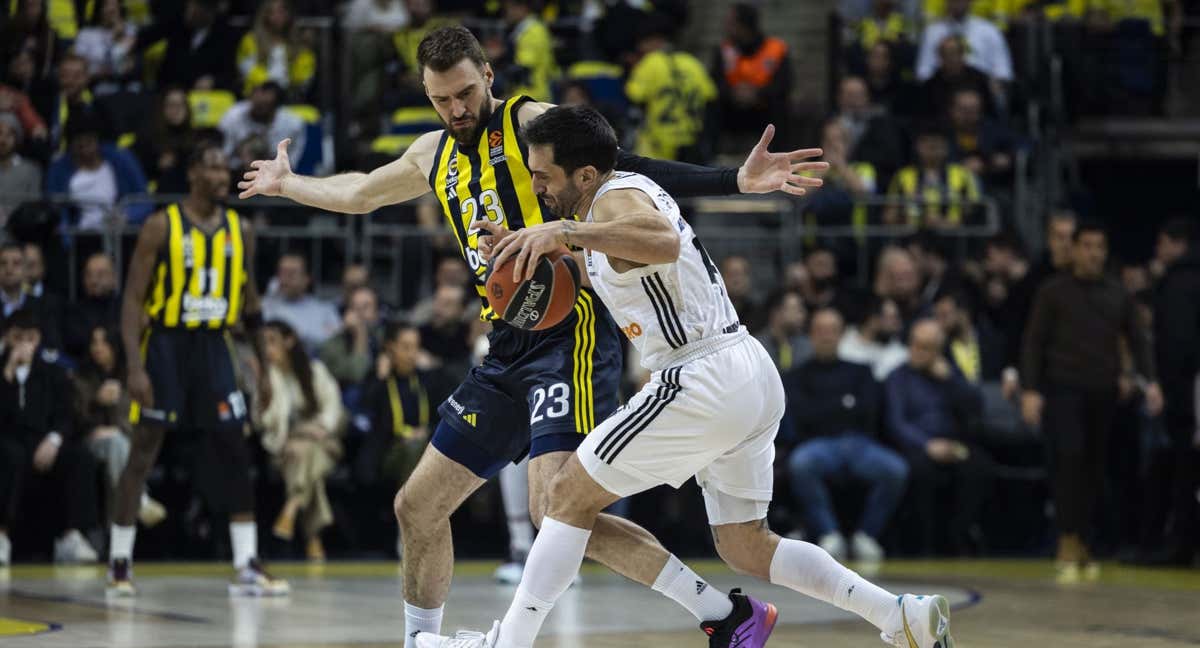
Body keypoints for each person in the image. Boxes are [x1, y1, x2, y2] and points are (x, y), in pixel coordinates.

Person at [236, 24, 824, 648]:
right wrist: (286, 183)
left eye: (465, 92)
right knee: (417, 506)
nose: (457, 109)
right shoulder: (429, 155)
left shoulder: (529, 124)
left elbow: (626, 168)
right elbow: (357, 192)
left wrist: (733, 179)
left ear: (488, 75)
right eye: (442, 99)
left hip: (571, 334)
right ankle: (420, 642)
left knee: (556, 511)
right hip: (507, 346)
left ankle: (723, 614)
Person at [416, 104, 952, 648]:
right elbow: (599, 263)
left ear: (583, 175)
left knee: (563, 496)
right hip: (745, 372)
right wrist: (521, 248)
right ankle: (897, 614)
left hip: (699, 375)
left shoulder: (615, 196)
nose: (536, 186)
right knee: (746, 545)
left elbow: (660, 240)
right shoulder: (604, 215)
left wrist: (561, 228)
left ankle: (509, 643)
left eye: (543, 176)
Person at [107, 142, 287, 597]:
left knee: (234, 449)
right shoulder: (158, 226)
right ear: (191, 173)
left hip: (217, 345)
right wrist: (134, 366)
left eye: (223, 166)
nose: (221, 173)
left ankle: (247, 562)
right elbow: (131, 301)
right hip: (165, 345)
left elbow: (250, 305)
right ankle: (120, 561)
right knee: (143, 451)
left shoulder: (239, 229)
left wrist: (264, 369)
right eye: (210, 165)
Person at [1020, 222, 1163, 581]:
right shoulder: (1053, 291)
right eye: (1086, 245)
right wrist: (1030, 390)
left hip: (1103, 391)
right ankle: (1067, 537)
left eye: (1099, 246)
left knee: (1094, 467)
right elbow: (1034, 342)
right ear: (1074, 248)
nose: (1093, 253)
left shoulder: (1118, 293)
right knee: (1068, 457)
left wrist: (1149, 381)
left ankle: (1083, 537)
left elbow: (1138, 339)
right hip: (1062, 388)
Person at [784, 308, 907, 562]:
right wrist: (843, 405)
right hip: (818, 445)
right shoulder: (797, 376)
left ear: (841, 335)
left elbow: (868, 411)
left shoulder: (861, 371)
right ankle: (829, 534)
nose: (826, 336)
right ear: (811, 335)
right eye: (820, 331)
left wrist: (827, 410)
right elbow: (802, 416)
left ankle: (867, 535)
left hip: (859, 443)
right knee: (801, 463)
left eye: (832, 331)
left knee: (895, 469)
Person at [0, 308, 100, 565]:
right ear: (6, 339)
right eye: (17, 337)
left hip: (43, 441)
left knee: (80, 458)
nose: (24, 345)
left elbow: (66, 414)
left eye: (30, 338)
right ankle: (2, 535)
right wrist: (8, 376)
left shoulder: (52, 372)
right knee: (10, 455)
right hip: (8, 440)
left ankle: (72, 536)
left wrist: (54, 439)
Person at [884, 319, 990, 556]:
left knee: (978, 466)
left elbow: (976, 407)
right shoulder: (898, 378)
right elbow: (896, 423)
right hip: (918, 446)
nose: (918, 351)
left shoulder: (949, 376)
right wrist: (927, 445)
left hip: (954, 443)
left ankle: (960, 537)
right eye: (915, 344)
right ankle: (926, 544)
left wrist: (951, 379)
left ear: (938, 351)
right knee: (922, 472)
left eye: (926, 347)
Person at [256, 319, 345, 562]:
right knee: (303, 454)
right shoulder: (269, 377)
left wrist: (314, 430)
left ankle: (292, 507)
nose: (267, 348)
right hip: (286, 448)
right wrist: (305, 431)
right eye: (263, 343)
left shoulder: (315, 371)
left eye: (272, 342)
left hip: (322, 445)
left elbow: (332, 411)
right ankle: (313, 537)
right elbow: (267, 422)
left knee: (305, 453)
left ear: (289, 341)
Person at [73, 326, 165, 527]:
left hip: (126, 440)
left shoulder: (131, 379)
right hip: (90, 441)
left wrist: (120, 405)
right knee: (116, 444)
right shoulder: (82, 377)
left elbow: (138, 419)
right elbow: (75, 420)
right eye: (94, 343)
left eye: (103, 342)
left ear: (114, 346)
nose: (98, 348)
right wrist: (96, 402)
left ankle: (116, 532)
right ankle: (139, 499)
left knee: (120, 445)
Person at [1149, 217, 1200, 565]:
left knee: (1187, 469)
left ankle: (1181, 547)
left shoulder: (1179, 282)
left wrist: (1170, 389)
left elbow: (1177, 344)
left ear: (1174, 243)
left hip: (1189, 394)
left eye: (1161, 243)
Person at [235, 0, 316, 99]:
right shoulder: (250, 41)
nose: (278, 16)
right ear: (265, 15)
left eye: (282, 12)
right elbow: (248, 70)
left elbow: (303, 77)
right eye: (272, 12)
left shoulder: (298, 44)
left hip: (290, 96)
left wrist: (306, 49)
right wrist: (273, 86)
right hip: (258, 95)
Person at [261, 252, 340, 353]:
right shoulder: (265, 308)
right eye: (282, 273)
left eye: (291, 274)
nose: (284, 279)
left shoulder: (325, 311)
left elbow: (335, 343)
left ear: (306, 279)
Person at [839, 295, 908, 380]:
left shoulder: (900, 354)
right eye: (891, 318)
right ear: (872, 319)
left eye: (897, 318)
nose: (896, 324)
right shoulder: (842, 339)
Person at [755, 289, 811, 373]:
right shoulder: (757, 346)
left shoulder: (806, 345)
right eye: (796, 309)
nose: (802, 315)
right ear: (776, 313)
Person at [0, 114, 42, 224]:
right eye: (0, 133)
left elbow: (33, 210)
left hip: (17, 236)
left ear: (17, 139)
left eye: (9, 135)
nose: (3, 140)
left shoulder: (31, 170)